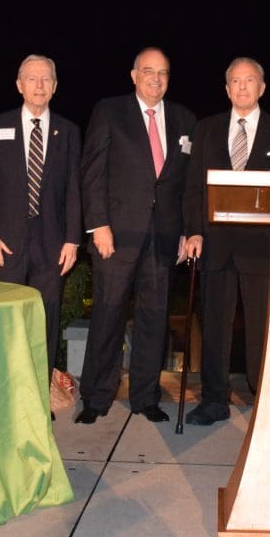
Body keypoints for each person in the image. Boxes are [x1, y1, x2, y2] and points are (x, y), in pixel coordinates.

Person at [76, 47, 196, 424]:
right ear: (133, 75)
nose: (155, 79)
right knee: (108, 315)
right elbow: (92, 171)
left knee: (154, 318)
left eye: (163, 72)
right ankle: (96, 396)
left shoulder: (184, 119)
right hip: (117, 234)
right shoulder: (110, 111)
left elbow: (187, 185)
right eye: (148, 71)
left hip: (163, 237)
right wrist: (98, 226)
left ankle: (145, 396)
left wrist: (186, 231)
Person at [181, 57, 270, 425]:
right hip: (214, 244)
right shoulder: (207, 128)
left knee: (263, 327)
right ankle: (214, 399)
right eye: (235, 81)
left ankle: (264, 398)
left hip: (262, 248)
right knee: (214, 324)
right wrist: (194, 229)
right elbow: (194, 186)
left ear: (262, 87)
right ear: (226, 88)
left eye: (249, 80)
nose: (242, 87)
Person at [0, 54, 81, 376]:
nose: (39, 85)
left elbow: (74, 189)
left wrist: (73, 240)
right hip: (4, 245)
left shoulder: (68, 131)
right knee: (5, 323)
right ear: (19, 85)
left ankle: (37, 397)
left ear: (55, 86)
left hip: (52, 247)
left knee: (44, 324)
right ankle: (3, 395)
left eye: (46, 78)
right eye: (32, 79)